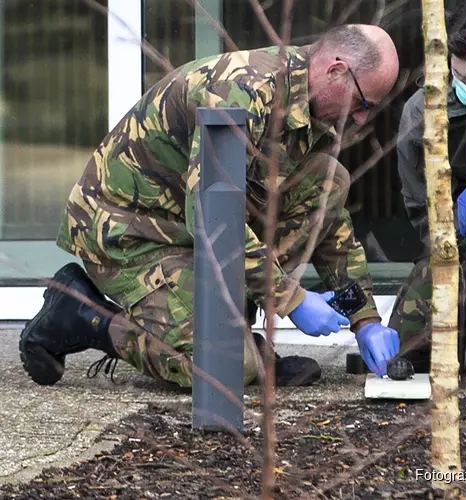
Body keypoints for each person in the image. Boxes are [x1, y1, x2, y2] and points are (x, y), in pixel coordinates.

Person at [19, 24, 402, 389]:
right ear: (336, 71)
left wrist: (365, 318)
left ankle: (233, 335)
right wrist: (292, 299)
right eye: (364, 102)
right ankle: (82, 314)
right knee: (223, 370)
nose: (362, 118)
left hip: (185, 230)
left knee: (327, 177)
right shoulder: (240, 92)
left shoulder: (309, 106)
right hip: (130, 235)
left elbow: (327, 219)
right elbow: (211, 218)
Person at [388, 3, 466, 373]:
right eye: (460, 76)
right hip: (458, 245)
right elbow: (421, 211)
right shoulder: (422, 114)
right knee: (405, 343)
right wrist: (452, 224)